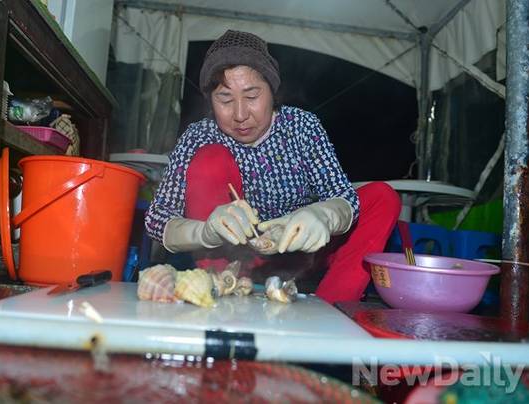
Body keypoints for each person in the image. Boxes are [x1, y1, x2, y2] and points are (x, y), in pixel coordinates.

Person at [145, 30, 401, 303]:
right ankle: (226, 286)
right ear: (210, 99)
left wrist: (322, 215)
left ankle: (332, 305)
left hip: (304, 255)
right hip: (231, 259)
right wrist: (205, 232)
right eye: (225, 99)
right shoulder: (199, 135)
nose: (240, 114)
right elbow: (158, 218)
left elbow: (343, 196)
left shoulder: (301, 126)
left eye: (252, 96)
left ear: (272, 91)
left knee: (382, 197)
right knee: (210, 160)